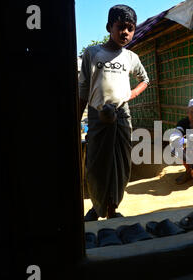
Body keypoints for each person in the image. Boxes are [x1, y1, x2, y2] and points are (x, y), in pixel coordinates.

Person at [78, 5, 149, 221]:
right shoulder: (92, 53)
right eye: (121, 27)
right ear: (109, 27)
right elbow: (83, 90)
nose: (125, 32)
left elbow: (145, 80)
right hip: (97, 116)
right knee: (96, 164)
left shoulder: (131, 57)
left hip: (122, 115)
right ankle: (96, 207)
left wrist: (131, 94)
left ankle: (112, 208)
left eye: (130, 28)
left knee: (120, 163)